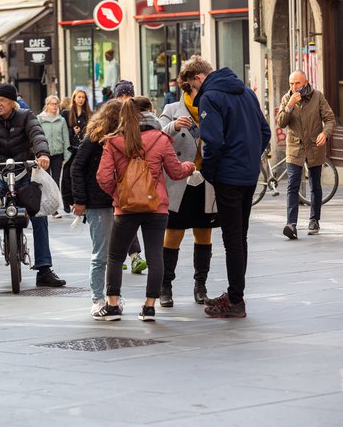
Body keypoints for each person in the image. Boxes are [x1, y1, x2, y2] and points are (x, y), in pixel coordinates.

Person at [180, 55, 270, 318]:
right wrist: (251, 159)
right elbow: (265, 132)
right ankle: (235, 293)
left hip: (228, 176)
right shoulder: (246, 92)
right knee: (240, 235)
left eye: (191, 88)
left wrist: (210, 170)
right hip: (249, 175)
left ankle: (236, 300)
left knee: (232, 238)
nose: (193, 94)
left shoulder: (211, 96)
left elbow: (213, 141)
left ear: (198, 78)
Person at [95, 97, 195, 322]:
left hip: (125, 208)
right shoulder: (160, 139)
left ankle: (112, 306)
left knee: (115, 256)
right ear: (150, 112)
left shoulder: (113, 141)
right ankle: (149, 307)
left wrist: (118, 194)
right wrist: (190, 166)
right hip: (156, 206)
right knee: (155, 256)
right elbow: (176, 172)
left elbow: (102, 176)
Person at [0, 83, 66, 288]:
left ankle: (44, 268)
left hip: (23, 173)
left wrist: (42, 154)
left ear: (12, 103)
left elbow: (37, 134)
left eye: (2, 100)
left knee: (39, 215)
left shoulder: (26, 116)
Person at [158, 78, 219, 307]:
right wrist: (174, 126)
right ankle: (165, 286)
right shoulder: (172, 109)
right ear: (188, 90)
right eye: (198, 91)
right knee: (173, 234)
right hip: (179, 181)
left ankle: (200, 286)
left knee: (204, 233)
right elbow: (156, 137)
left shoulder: (212, 110)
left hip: (205, 180)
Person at [71, 99, 124, 318]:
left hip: (118, 203)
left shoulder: (121, 138)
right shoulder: (94, 139)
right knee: (102, 254)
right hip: (99, 203)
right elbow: (76, 167)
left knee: (114, 255)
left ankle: (113, 297)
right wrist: (81, 200)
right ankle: (97, 299)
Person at [276, 70, 336, 239]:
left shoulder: (317, 96)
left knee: (315, 186)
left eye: (297, 84)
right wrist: (289, 106)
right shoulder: (287, 99)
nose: (294, 87)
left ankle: (314, 220)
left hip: (314, 147)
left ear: (306, 83)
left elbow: (330, 119)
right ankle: (291, 224)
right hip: (295, 148)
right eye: (291, 84)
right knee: (292, 185)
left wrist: (325, 133)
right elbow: (281, 123)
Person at [109, 79, 147, 274]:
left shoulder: (141, 119)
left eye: (128, 95)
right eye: (121, 95)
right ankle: (121, 256)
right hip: (112, 177)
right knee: (115, 219)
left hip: (133, 177)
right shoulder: (108, 119)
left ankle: (132, 257)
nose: (124, 99)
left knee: (127, 218)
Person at [37, 95, 70, 219]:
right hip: (44, 155)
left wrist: (67, 156)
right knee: (45, 181)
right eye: (52, 104)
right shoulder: (40, 119)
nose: (54, 106)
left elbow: (66, 138)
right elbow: (36, 137)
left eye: (56, 104)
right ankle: (44, 205)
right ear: (47, 105)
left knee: (55, 182)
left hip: (58, 155)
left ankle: (54, 209)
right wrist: (37, 154)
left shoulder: (61, 120)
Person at [61, 89, 92, 212]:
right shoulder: (66, 113)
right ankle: (66, 201)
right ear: (74, 98)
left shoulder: (88, 114)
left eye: (83, 97)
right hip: (70, 148)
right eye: (79, 97)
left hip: (82, 148)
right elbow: (62, 131)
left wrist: (81, 132)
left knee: (80, 174)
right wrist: (72, 132)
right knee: (67, 175)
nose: (81, 99)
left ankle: (78, 199)